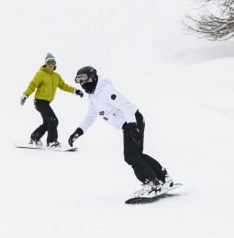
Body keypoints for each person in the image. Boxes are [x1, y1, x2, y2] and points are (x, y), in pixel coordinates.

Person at [68, 65, 173, 195]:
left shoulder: (105, 90)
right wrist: (78, 131)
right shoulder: (93, 97)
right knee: (137, 155)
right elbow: (90, 116)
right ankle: (164, 178)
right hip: (130, 123)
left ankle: (151, 183)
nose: (82, 84)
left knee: (130, 156)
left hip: (132, 121)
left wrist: (133, 127)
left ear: (93, 77)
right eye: (79, 81)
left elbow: (126, 106)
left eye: (84, 79)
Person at [20, 52, 84, 148]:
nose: (51, 65)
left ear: (55, 64)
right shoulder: (40, 74)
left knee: (48, 122)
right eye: (49, 63)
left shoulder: (56, 76)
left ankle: (34, 138)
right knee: (53, 120)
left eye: (52, 63)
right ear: (46, 64)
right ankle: (52, 142)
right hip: (39, 101)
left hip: (46, 102)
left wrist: (75, 91)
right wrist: (25, 95)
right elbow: (33, 85)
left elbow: (64, 86)